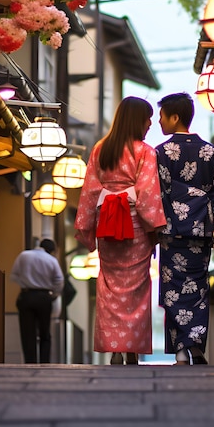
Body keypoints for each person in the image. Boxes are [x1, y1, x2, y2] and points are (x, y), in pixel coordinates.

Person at [74, 96, 167, 365]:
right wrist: (155, 227)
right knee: (137, 289)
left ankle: (114, 349)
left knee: (109, 286)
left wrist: (86, 225)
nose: (150, 123)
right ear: (136, 119)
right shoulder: (145, 151)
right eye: (147, 118)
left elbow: (91, 190)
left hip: (107, 222)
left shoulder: (101, 149)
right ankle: (131, 351)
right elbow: (148, 193)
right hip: (135, 223)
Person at [155, 92, 214, 365]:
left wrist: (156, 226)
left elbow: (158, 193)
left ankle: (179, 351)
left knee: (172, 289)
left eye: (163, 116)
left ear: (175, 117)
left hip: (170, 231)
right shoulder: (211, 152)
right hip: (201, 229)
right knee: (198, 290)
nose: (160, 122)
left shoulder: (161, 153)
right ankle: (196, 347)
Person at [10, 238, 64, 364]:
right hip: (44, 297)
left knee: (27, 333)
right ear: (51, 251)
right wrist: (54, 294)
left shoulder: (23, 256)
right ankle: (44, 362)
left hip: (26, 295)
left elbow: (14, 275)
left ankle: (30, 362)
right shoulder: (51, 260)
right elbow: (59, 280)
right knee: (45, 333)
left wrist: (25, 284)